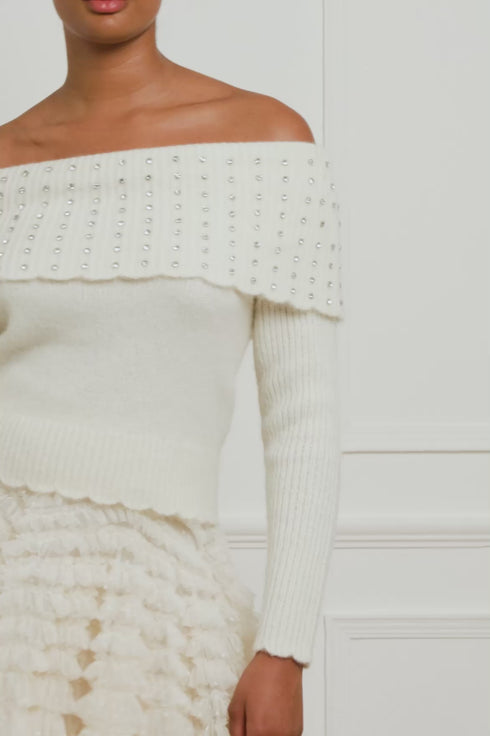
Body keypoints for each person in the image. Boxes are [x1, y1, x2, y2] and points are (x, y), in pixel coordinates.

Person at [0, 0, 344, 734]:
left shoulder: (268, 144)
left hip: (162, 598)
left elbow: (303, 420)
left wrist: (284, 649)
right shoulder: (8, 157)